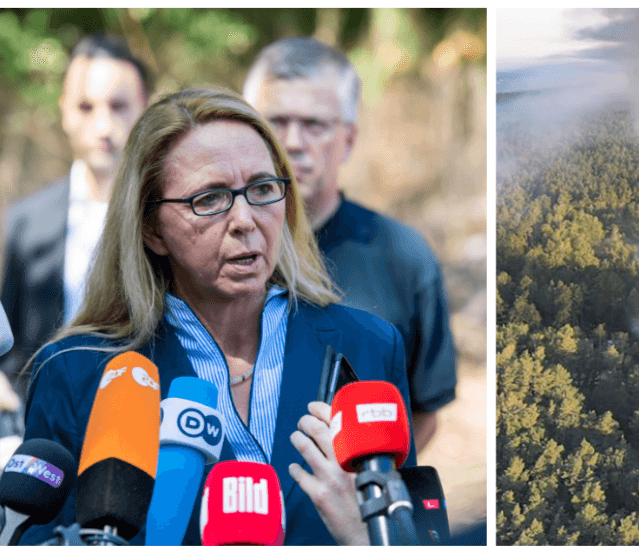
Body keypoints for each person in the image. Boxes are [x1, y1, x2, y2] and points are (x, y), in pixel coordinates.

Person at [20, 87, 415, 545]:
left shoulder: (368, 346)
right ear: (152, 229)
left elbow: (414, 531)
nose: (245, 219)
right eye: (209, 199)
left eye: (263, 189)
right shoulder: (75, 373)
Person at [242, 37, 456, 451]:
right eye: (275, 123)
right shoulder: (214, 251)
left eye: (314, 125)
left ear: (350, 140)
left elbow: (423, 413)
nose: (293, 143)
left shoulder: (404, 258)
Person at [0, 34, 151, 401]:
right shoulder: (26, 223)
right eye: (86, 107)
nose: (103, 127)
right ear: (64, 110)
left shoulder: (167, 215)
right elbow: (10, 346)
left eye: (118, 106)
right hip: (41, 425)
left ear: (145, 108)